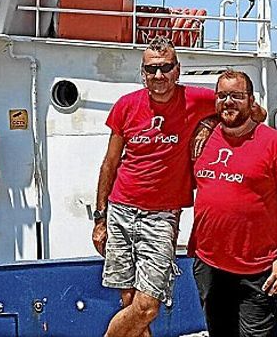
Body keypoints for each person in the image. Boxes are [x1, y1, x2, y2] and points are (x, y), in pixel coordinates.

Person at [92, 36, 218, 337]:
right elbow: (109, 164)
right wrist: (100, 218)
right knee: (130, 302)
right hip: (121, 209)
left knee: (147, 306)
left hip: (161, 216)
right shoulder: (126, 106)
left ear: (177, 69)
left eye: (165, 68)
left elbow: (247, 109)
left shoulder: (197, 100)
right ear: (142, 72)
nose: (159, 76)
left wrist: (215, 123)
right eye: (151, 70)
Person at [188, 69, 277, 337]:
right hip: (210, 265)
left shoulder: (274, 143)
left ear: (251, 100)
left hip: (257, 269)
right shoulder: (203, 138)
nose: (228, 102)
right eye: (222, 96)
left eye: (237, 96)